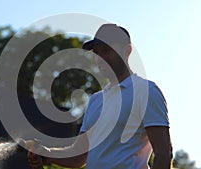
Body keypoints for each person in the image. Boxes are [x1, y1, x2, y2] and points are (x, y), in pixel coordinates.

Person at [27, 23, 173, 169]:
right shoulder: (95, 100)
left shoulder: (146, 91)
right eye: (97, 52)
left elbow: (164, 153)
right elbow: (79, 155)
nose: (100, 57)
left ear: (127, 51)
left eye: (107, 50)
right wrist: (46, 154)